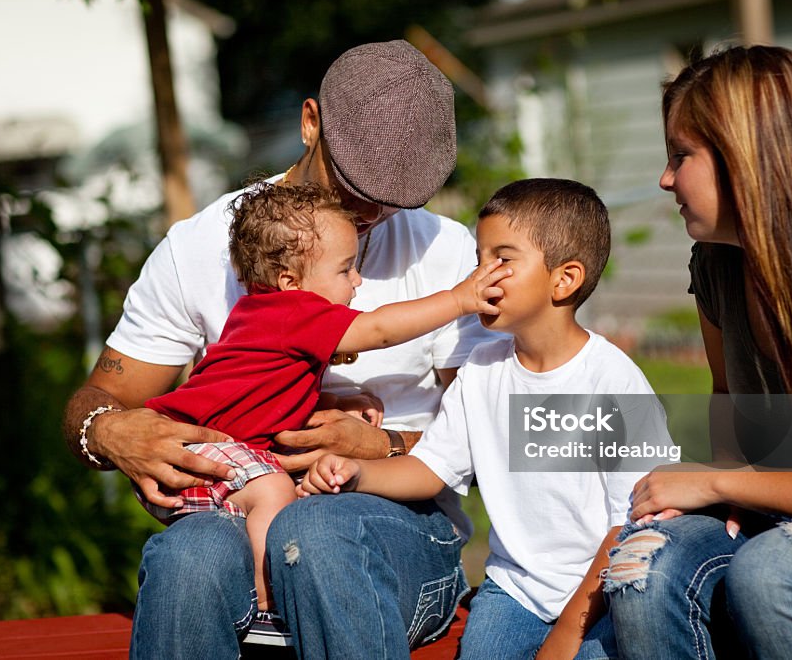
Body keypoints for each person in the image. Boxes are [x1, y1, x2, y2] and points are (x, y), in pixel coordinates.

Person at [62, 40, 495, 658]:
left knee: (316, 532)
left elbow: (496, 437)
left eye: (398, 196)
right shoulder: (199, 249)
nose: (372, 208)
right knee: (187, 556)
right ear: (309, 122)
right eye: (354, 182)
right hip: (244, 517)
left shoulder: (447, 254)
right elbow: (100, 397)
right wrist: (111, 433)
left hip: (400, 524)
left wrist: (385, 446)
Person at [577, 45, 792, 660]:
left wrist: (721, 482)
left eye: (681, 156)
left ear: (748, 158)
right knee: (641, 569)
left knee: (774, 574)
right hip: (788, 506)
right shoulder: (716, 264)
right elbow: (728, 399)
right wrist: (729, 491)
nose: (665, 178)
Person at [300, 178, 672, 660]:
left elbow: (634, 525)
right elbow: (432, 466)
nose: (480, 275)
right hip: (512, 589)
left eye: (502, 259)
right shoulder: (481, 370)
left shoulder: (612, 382)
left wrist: (565, 637)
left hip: (603, 590)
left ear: (565, 279)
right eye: (479, 259)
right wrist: (358, 474)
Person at [135, 180, 506, 622]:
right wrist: (458, 299)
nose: (358, 279)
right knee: (274, 492)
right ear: (291, 281)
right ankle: (267, 595)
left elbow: (265, 391)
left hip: (196, 454)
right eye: (346, 269)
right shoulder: (296, 311)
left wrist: (340, 398)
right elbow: (378, 329)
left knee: (281, 512)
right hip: (195, 454)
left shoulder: (261, 314)